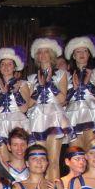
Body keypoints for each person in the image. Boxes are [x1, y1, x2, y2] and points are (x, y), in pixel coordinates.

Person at [26, 38, 72, 180]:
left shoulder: (61, 74)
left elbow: (62, 99)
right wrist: (40, 87)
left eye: (46, 51)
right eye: (40, 52)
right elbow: (28, 103)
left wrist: (49, 84)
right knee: (39, 160)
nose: (43, 55)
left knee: (53, 161)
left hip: (54, 117)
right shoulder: (32, 78)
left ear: (51, 54)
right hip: (37, 118)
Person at [64, 35, 95, 150]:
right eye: (78, 51)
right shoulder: (66, 75)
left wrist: (88, 84)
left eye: (85, 51)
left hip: (91, 114)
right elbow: (62, 101)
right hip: (72, 116)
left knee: (91, 151)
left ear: (89, 54)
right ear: (73, 56)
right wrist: (74, 88)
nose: (82, 54)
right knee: (75, 154)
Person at [0, 47, 30, 165]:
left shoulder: (23, 84)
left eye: (9, 64)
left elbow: (24, 109)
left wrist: (16, 93)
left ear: (15, 67)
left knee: (19, 161)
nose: (6, 67)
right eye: (3, 64)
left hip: (17, 122)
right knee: (2, 162)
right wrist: (2, 95)